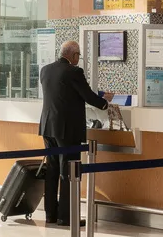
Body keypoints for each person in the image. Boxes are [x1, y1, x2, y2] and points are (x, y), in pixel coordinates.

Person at [38, 40, 112, 227]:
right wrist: (105, 103)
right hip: (67, 130)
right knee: (69, 172)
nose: (78, 59)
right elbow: (88, 96)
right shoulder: (74, 72)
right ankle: (66, 217)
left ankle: (50, 214)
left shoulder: (45, 70)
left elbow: (63, 93)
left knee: (52, 171)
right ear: (72, 55)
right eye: (78, 55)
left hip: (48, 128)